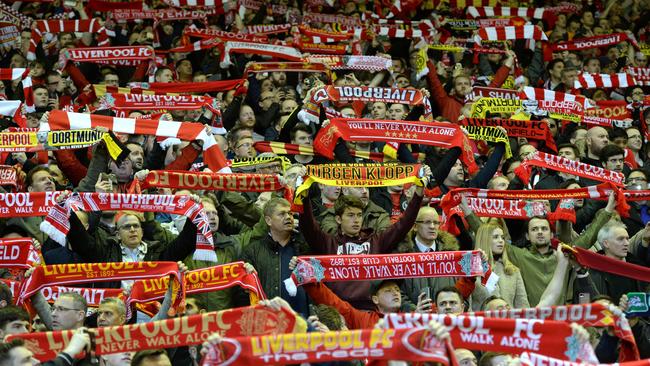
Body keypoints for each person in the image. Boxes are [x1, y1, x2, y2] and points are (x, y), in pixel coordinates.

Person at [299, 166, 432, 309]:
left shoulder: (375, 241)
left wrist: (418, 193)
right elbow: (308, 225)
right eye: (350, 215)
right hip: (338, 310)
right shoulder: (328, 243)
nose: (356, 220)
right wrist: (303, 194)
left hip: (370, 310)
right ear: (338, 219)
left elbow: (403, 224)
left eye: (359, 215)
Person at [472, 224, 529, 310]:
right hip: (482, 322)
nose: (501, 241)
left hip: (508, 322)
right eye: (495, 237)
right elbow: (467, 307)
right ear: (484, 240)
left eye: (502, 237)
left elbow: (523, 306)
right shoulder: (471, 271)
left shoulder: (513, 270)